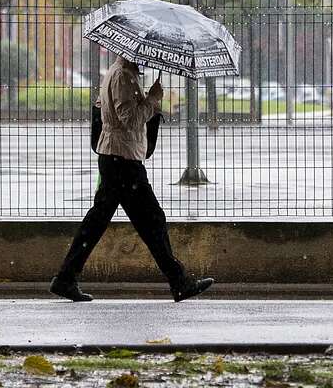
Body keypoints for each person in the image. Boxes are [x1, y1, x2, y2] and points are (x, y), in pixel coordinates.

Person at [50, 55, 214, 303]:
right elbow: (130, 119)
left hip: (116, 157)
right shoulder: (122, 76)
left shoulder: (120, 74)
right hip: (122, 160)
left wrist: (147, 98)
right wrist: (153, 100)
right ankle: (179, 282)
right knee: (152, 220)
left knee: (99, 221)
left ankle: (65, 278)